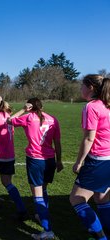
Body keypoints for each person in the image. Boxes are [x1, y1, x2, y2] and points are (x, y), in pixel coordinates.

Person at [8, 97, 63, 239]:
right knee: (43, 190)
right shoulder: (53, 119)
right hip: (50, 160)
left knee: (37, 194)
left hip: (35, 160)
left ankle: (47, 230)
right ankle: (41, 216)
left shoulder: (29, 117)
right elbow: (57, 142)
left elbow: (9, 120)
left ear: (30, 106)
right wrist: (59, 160)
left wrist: (22, 109)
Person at [69, 74, 110, 240]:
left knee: (76, 199)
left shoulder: (91, 107)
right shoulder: (107, 105)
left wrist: (78, 162)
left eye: (82, 85)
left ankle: (101, 237)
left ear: (90, 87)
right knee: (101, 198)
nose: (81, 89)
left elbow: (89, 138)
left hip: (98, 160)